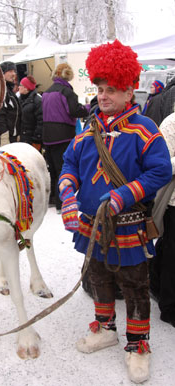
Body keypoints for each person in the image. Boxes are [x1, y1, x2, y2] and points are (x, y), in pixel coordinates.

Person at [58, 39, 172, 384]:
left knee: (135, 285)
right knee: (98, 277)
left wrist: (122, 195)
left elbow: (161, 171)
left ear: (128, 92)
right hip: (92, 225)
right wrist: (67, 197)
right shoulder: (87, 131)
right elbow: (68, 166)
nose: (103, 96)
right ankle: (105, 328)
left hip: (129, 224)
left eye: (111, 90)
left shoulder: (144, 129)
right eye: (100, 89)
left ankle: (138, 345)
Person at [42, 63, 89, 212]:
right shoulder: (66, 92)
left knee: (53, 170)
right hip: (63, 134)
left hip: (47, 135)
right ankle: (62, 203)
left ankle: (54, 200)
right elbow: (75, 111)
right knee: (64, 169)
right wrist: (88, 108)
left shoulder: (46, 92)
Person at [149, 111, 175, 327]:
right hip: (173, 202)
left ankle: (154, 282)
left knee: (167, 248)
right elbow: (161, 165)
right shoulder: (171, 123)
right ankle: (169, 307)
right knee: (172, 255)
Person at [0, 61, 21, 149]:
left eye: (14, 71)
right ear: (2, 73)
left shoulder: (8, 89)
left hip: (12, 136)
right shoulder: (0, 89)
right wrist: (4, 136)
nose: (13, 74)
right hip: (4, 137)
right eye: (10, 71)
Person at [18, 75, 43, 151]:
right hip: (22, 138)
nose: (18, 87)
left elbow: (41, 121)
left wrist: (36, 139)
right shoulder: (19, 99)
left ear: (26, 88)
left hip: (32, 140)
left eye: (20, 85)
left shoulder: (37, 101)